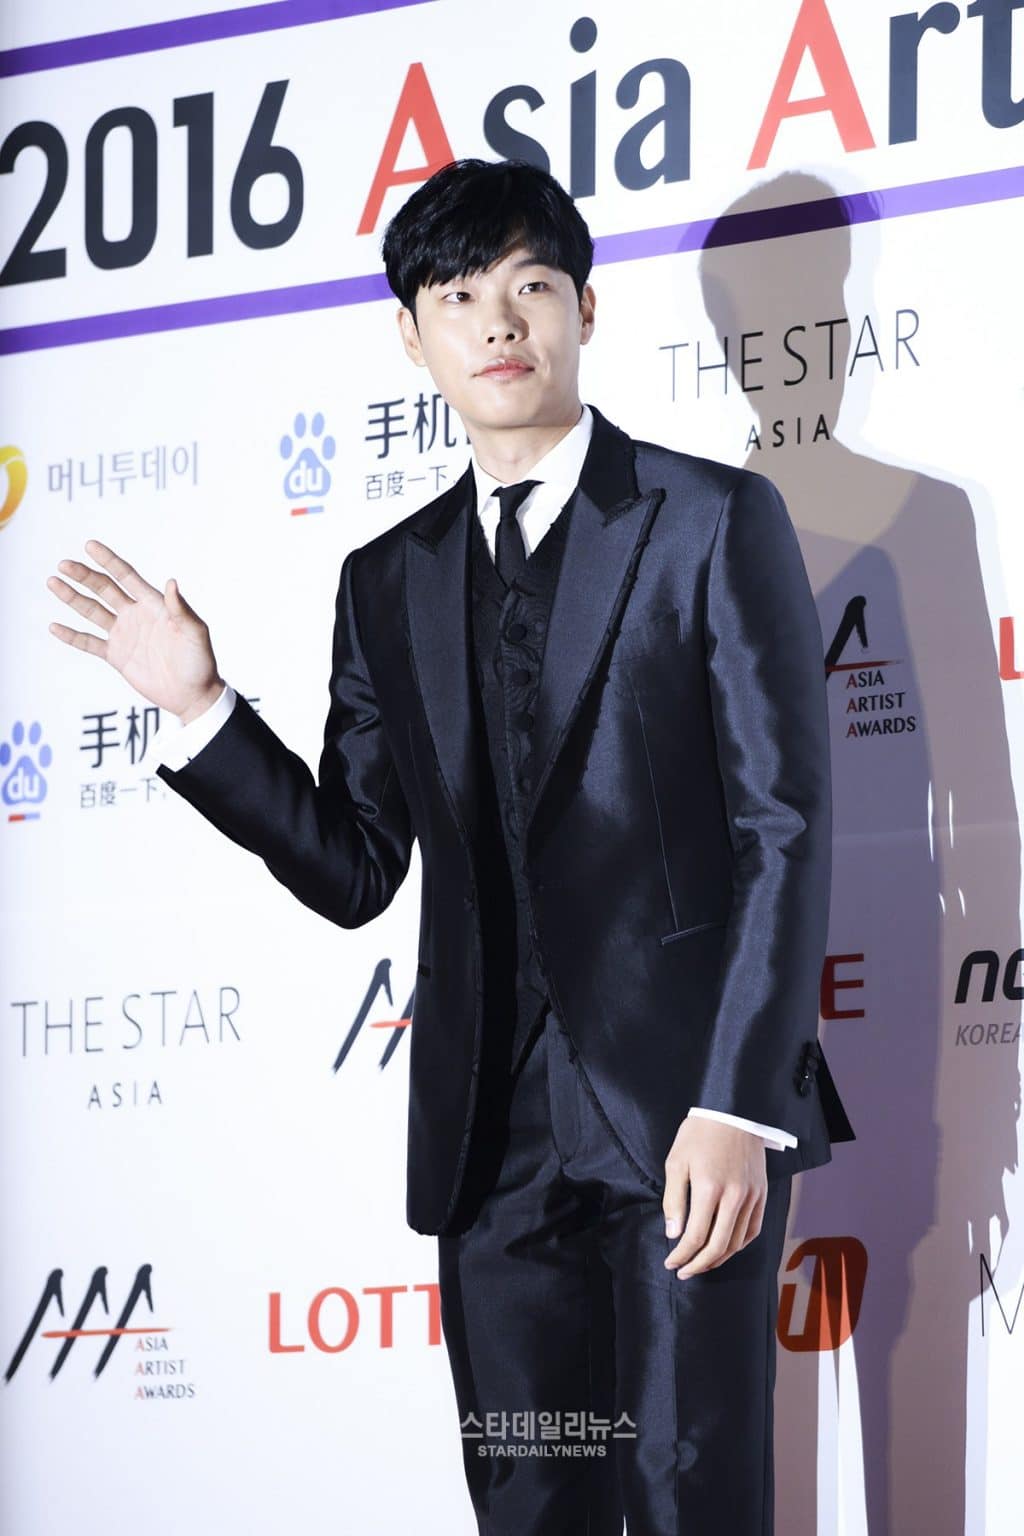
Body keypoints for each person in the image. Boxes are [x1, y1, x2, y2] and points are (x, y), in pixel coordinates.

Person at [47, 157, 854, 1535]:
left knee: (690, 1497)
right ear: (409, 335)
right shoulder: (387, 577)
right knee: (528, 1504)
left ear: (586, 309)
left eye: (530, 286)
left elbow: (783, 828)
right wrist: (202, 709)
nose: (498, 323)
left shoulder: (711, 520)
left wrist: (738, 1106)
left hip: (684, 1125)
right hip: (491, 1149)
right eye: (459, 296)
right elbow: (356, 865)